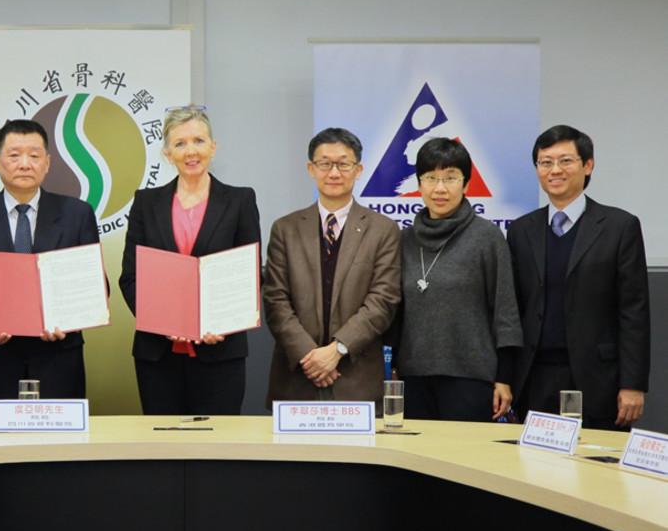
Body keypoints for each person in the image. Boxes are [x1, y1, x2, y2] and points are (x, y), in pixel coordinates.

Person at [0, 119, 100, 417]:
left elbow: (94, 285)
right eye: (14, 155)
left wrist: (68, 318)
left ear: (47, 163)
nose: (24, 164)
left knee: (57, 454)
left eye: (34, 156)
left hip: (58, 358)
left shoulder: (77, 214)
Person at [119, 105, 261, 415]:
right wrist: (162, 321)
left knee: (216, 448)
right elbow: (131, 277)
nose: (190, 151)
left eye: (198, 140)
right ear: (168, 154)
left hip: (220, 349)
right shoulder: (146, 203)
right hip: (158, 354)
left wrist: (222, 322)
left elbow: (250, 275)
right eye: (180, 143)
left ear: (213, 146)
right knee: (164, 445)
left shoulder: (240, 200)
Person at [507, 125, 650, 430]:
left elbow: (633, 313)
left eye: (565, 161)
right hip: (535, 378)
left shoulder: (619, 227)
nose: (554, 170)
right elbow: (512, 310)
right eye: (545, 162)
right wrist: (505, 378)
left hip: (600, 381)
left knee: (595, 473)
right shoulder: (521, 230)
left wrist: (633, 384)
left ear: (588, 165)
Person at [264, 127, 401, 405]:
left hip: (356, 378)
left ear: (359, 169)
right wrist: (310, 357)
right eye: (325, 164)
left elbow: (383, 300)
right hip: (297, 379)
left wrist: (337, 350)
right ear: (311, 169)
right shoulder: (285, 229)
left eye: (343, 164)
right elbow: (275, 300)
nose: (334, 173)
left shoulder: (383, 230)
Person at [391, 138, 522, 422]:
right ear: (419, 183)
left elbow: (506, 313)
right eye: (431, 178)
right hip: (413, 378)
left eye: (450, 178)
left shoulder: (486, 237)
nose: (440, 188)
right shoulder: (404, 240)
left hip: (471, 378)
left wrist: (504, 378)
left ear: (465, 184)